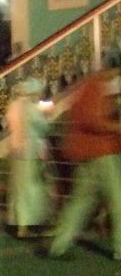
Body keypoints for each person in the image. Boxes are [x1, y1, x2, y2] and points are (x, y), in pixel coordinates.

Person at [48, 52, 121, 261]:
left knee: (81, 202)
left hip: (89, 152)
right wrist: (115, 126)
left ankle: (59, 245)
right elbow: (91, 119)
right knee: (116, 201)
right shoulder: (96, 86)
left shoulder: (93, 86)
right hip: (101, 152)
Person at [5, 77, 53, 238]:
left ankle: (20, 224)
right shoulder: (31, 108)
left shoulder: (13, 106)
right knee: (30, 189)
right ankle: (25, 227)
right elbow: (44, 128)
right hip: (30, 153)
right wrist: (47, 115)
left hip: (16, 152)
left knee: (19, 190)